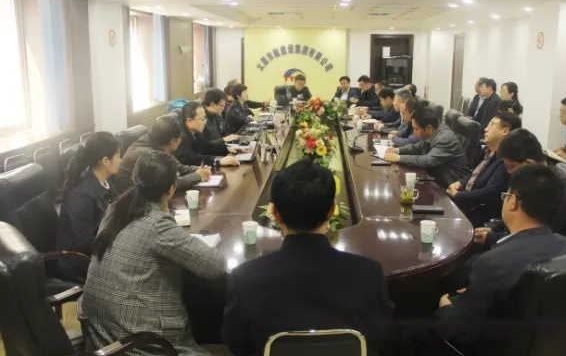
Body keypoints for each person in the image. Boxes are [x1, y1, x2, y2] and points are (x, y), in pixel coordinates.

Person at [222, 160, 395, 356]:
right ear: (332, 211)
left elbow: (236, 343)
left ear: (275, 213)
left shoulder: (245, 278)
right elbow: (382, 338)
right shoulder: (369, 273)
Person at [83, 151, 226, 356]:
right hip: (140, 342)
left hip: (101, 334)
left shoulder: (115, 209)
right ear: (171, 189)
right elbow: (216, 265)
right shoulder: (157, 224)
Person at [436, 165, 566, 354]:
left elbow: (461, 330)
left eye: (506, 196)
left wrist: (445, 308)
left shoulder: (492, 263)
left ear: (512, 201)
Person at [476, 128, 566, 247]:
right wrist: (494, 229)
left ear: (529, 163)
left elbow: (537, 238)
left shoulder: (556, 193)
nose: (509, 172)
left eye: (512, 167)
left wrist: (492, 238)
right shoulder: (531, 181)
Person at [56, 132, 120, 282]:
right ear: (106, 161)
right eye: (118, 156)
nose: (120, 160)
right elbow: (83, 244)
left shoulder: (106, 181)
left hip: (102, 248)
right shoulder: (81, 197)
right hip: (80, 262)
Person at [447, 112, 522, 226]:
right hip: (466, 205)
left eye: (492, 125)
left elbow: (489, 193)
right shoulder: (488, 151)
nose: (486, 129)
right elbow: (475, 173)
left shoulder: (506, 161)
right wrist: (461, 182)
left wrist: (458, 196)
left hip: (480, 217)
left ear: (505, 131)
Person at [114, 116, 211, 194]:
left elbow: (178, 167)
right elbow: (167, 183)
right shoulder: (148, 155)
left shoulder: (156, 143)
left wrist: (201, 170)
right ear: (172, 142)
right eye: (179, 139)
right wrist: (197, 176)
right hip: (132, 200)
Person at [384, 106, 470, 187]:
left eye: (416, 129)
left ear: (428, 128)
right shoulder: (435, 130)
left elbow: (427, 161)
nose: (414, 132)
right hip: (436, 178)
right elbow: (418, 147)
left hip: (451, 185)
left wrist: (398, 158)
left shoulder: (445, 138)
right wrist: (397, 150)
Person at [173, 101, 240, 168]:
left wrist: (227, 148)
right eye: (202, 119)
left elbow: (206, 147)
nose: (205, 122)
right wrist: (217, 160)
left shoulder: (195, 130)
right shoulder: (180, 136)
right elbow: (191, 159)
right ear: (189, 120)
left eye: (205, 118)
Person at [202, 88, 240, 156]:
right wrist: (223, 140)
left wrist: (227, 148)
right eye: (221, 106)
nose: (223, 108)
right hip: (211, 156)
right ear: (212, 104)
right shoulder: (201, 119)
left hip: (220, 150)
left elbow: (219, 136)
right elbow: (205, 146)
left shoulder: (215, 115)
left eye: (224, 105)